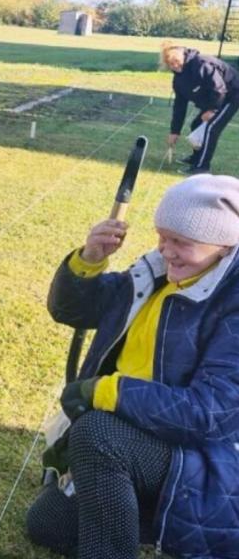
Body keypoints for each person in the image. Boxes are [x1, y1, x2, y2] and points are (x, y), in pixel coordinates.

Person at [26, 174, 239, 559]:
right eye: (162, 236)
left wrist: (106, 391)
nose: (166, 250)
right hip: (136, 441)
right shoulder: (157, 274)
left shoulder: (233, 304)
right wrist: (90, 259)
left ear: (224, 247)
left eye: (181, 243)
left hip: (205, 464)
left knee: (97, 433)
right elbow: (73, 310)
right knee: (45, 525)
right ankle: (140, 513)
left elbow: (210, 414)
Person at [161, 43, 239, 175]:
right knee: (197, 124)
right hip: (216, 97)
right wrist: (175, 131)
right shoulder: (178, 81)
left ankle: (202, 167)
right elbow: (179, 106)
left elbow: (219, 89)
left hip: (232, 94)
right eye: (170, 64)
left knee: (211, 128)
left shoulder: (201, 64)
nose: (175, 66)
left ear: (183, 57)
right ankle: (195, 158)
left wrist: (212, 110)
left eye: (177, 62)